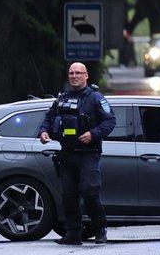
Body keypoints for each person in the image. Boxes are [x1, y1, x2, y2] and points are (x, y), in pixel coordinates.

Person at [40, 60, 115, 244]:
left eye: (78, 73)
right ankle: (73, 234)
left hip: (88, 154)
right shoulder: (62, 99)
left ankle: (100, 231)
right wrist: (43, 132)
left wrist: (93, 134)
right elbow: (48, 119)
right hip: (67, 154)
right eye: (71, 73)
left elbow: (110, 121)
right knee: (69, 197)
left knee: (90, 194)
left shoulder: (96, 98)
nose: (74, 76)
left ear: (86, 75)